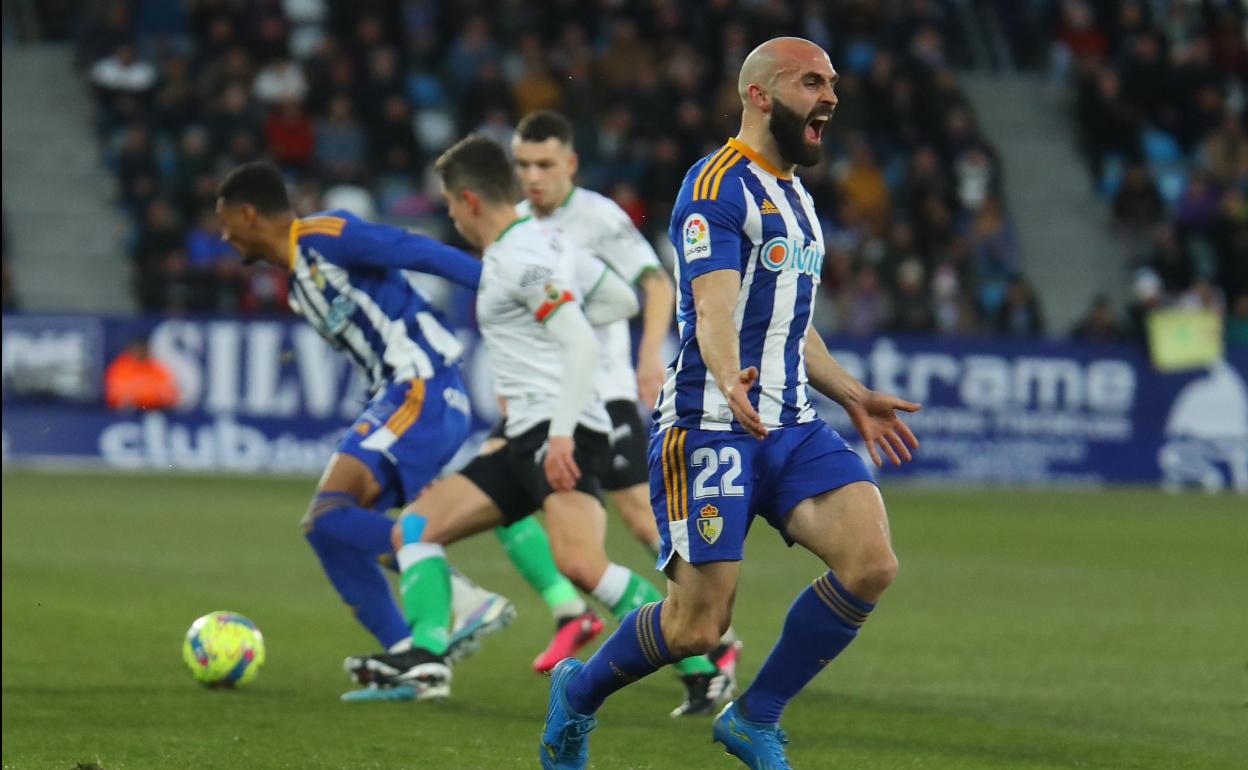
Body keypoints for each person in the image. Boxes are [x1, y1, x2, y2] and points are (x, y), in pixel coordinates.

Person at [540, 37, 921, 770]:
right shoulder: (716, 186)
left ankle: (756, 716)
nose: (831, 97)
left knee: (871, 562)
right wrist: (726, 375)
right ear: (759, 95)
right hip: (710, 424)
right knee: (695, 629)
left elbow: (786, 322)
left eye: (832, 83)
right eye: (812, 83)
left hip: (792, 427)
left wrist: (852, 393)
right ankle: (578, 694)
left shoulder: (799, 199)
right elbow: (712, 311)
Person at [345, 134, 731, 716]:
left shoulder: (520, 260)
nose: (451, 215)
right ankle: (425, 656)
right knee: (416, 528)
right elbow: (619, 301)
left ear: (470, 200)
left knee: (584, 566)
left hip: (561, 434)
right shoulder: (545, 244)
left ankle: (705, 670)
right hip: (525, 432)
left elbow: (578, 342)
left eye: (450, 205)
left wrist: (559, 429)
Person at [214, 161, 514, 702]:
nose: (223, 235)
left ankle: (460, 600)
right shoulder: (299, 289)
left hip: (423, 387)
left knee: (332, 512)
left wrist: (502, 284)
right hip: (401, 396)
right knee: (328, 526)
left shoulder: (326, 235)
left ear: (248, 214)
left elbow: (415, 251)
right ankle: (414, 658)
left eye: (226, 221)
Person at [477, 109, 742, 683]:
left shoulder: (598, 216)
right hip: (546, 400)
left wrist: (650, 356)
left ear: (570, 163)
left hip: (606, 393)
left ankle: (709, 634)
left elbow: (654, 282)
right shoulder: (515, 223)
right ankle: (572, 609)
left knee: (643, 523)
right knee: (500, 491)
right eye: (522, 165)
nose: (532, 177)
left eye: (544, 164)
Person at [104, 337, 180, 411]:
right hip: (127, 413)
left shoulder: (157, 367)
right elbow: (114, 393)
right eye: (139, 349)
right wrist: (145, 394)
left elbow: (170, 393)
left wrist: (140, 395)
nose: (142, 352)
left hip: (153, 411)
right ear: (132, 349)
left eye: (144, 349)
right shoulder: (121, 367)